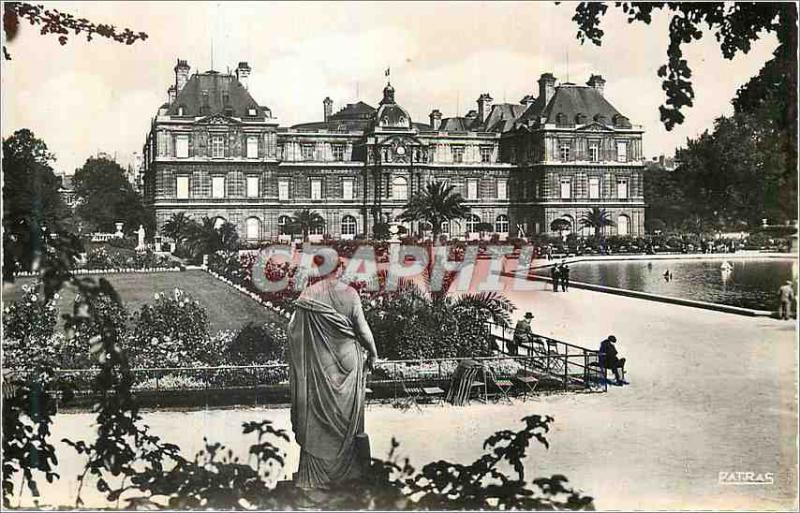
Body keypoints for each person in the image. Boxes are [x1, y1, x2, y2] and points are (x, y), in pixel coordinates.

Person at [287, 252, 379, 489]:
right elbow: (363, 329)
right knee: (349, 416)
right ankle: (349, 473)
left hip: (321, 364)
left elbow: (292, 332)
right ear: (338, 268)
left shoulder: (308, 295)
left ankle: (316, 475)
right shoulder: (349, 293)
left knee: (318, 414)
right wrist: (374, 353)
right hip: (348, 360)